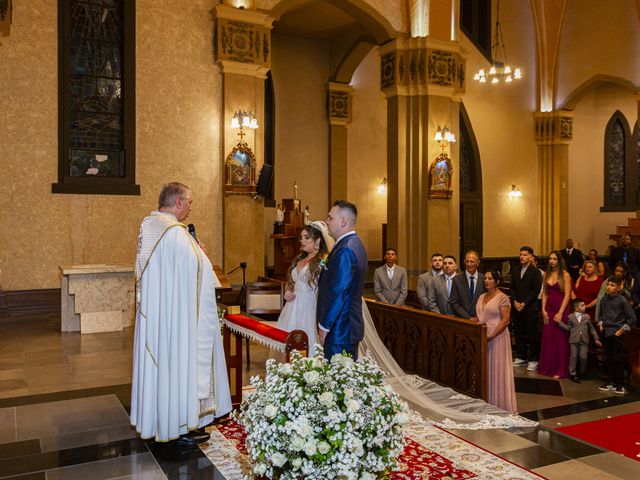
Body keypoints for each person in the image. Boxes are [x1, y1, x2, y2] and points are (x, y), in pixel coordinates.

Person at [131, 182, 231, 446]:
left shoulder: (152, 226)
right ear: (177, 202)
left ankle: (173, 420)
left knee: (166, 369)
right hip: (176, 319)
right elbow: (197, 269)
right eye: (189, 201)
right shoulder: (173, 233)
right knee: (177, 365)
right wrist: (201, 255)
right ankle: (177, 425)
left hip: (162, 315)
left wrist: (196, 253)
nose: (190, 207)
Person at [317, 200, 368, 360]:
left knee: (338, 381)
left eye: (330, 218)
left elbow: (339, 291)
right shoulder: (353, 244)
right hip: (345, 327)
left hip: (340, 329)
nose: (326, 221)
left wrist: (325, 325)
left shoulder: (345, 249)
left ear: (343, 221)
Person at [277, 222, 333, 355]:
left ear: (318, 240)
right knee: (289, 343)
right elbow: (291, 282)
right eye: (301, 237)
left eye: (306, 237)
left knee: (308, 344)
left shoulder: (323, 261)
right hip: (292, 307)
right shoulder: (298, 259)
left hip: (310, 307)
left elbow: (327, 287)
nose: (302, 241)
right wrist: (287, 291)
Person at [475, 270, 517, 413]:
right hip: (482, 336)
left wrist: (491, 335)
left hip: (497, 337)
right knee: (485, 368)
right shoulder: (481, 296)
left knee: (497, 367)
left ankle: (499, 402)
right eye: (485, 278)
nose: (486, 280)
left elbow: (505, 320)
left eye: (490, 278)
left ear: (497, 281)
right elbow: (479, 317)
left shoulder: (503, 297)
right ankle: (485, 399)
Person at [597, 276, 637, 394]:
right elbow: (600, 314)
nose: (609, 287)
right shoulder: (604, 299)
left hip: (617, 332)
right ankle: (611, 382)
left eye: (612, 285)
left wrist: (621, 330)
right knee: (608, 357)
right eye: (608, 285)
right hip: (606, 331)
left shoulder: (622, 300)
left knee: (617, 358)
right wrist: (600, 324)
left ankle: (620, 384)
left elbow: (632, 318)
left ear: (619, 287)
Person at [539, 251, 571, 379]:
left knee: (560, 339)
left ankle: (560, 369)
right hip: (549, 309)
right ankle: (548, 367)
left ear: (559, 261)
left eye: (554, 259)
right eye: (550, 259)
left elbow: (568, 295)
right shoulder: (546, 274)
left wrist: (560, 312)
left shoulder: (565, 275)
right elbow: (545, 294)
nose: (551, 261)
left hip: (561, 309)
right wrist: (543, 310)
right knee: (548, 337)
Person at [510, 246, 543, 371]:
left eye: (525, 254)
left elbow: (535, 290)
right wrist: (514, 301)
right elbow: (512, 287)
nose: (522, 257)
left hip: (530, 308)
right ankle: (521, 356)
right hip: (517, 307)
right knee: (519, 332)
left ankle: (534, 359)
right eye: (521, 254)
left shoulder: (535, 272)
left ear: (530, 257)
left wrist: (524, 303)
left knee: (531, 333)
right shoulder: (515, 270)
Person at [556, 299, 601, 383]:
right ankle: (572, 374)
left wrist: (596, 338)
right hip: (574, 340)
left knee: (583, 357)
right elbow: (568, 328)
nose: (585, 306)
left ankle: (582, 372)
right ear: (576, 308)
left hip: (584, 340)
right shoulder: (571, 317)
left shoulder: (587, 317)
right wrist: (560, 323)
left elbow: (591, 328)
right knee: (573, 357)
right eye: (582, 305)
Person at [449, 250, 486, 319]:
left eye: (472, 261)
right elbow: (454, 302)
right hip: (462, 320)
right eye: (467, 261)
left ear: (478, 263)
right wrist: (468, 318)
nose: (469, 264)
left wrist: (478, 317)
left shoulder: (484, 279)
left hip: (480, 319)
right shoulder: (457, 279)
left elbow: (487, 300)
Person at [571, 260, 604, 325]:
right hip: (577, 310)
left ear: (595, 268)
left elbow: (599, 298)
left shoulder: (600, 281)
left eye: (590, 267)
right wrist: (577, 305)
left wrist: (586, 306)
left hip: (591, 311)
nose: (587, 268)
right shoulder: (581, 278)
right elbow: (573, 291)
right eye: (586, 267)